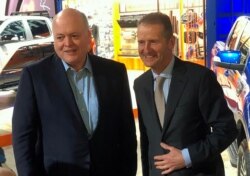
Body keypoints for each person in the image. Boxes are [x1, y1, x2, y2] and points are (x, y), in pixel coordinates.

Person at [12, 8, 137, 176]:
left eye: (74, 36)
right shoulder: (35, 77)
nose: (68, 43)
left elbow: (126, 131)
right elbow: (23, 139)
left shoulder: (114, 72)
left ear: (88, 36)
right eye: (60, 37)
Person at [133, 12, 238, 176]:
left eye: (153, 42)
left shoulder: (200, 78)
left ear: (171, 43)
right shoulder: (140, 85)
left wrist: (186, 156)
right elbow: (147, 140)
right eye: (141, 42)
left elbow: (227, 129)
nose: (146, 49)